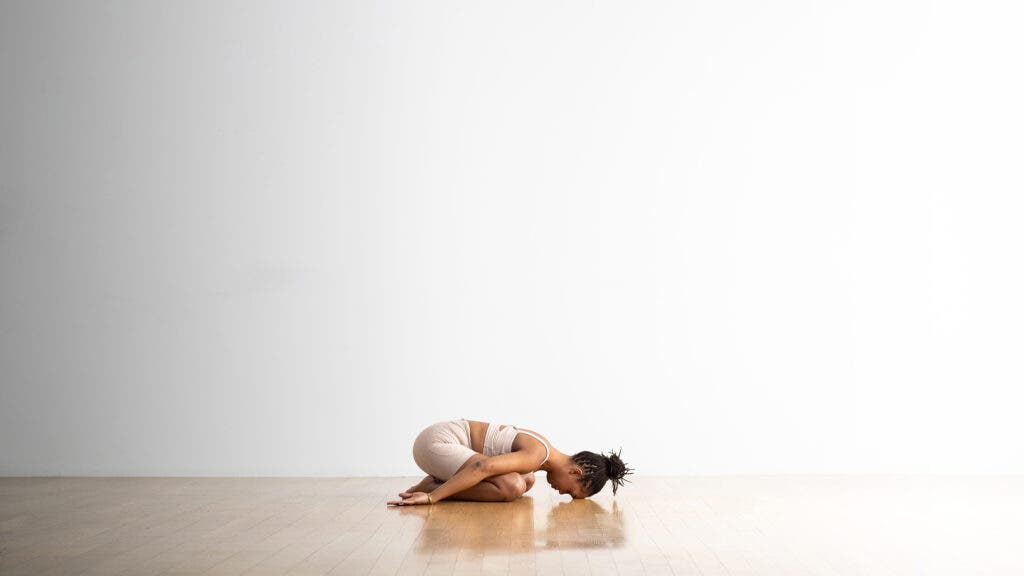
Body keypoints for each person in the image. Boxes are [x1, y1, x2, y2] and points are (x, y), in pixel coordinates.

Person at [386, 418, 633, 506]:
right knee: (512, 486)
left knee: (526, 481)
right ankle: (430, 488)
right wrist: (433, 499)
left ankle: (439, 481)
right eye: (570, 490)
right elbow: (483, 467)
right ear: (575, 471)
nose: (560, 492)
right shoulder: (537, 455)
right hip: (436, 443)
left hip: (444, 443)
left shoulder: (543, 455)